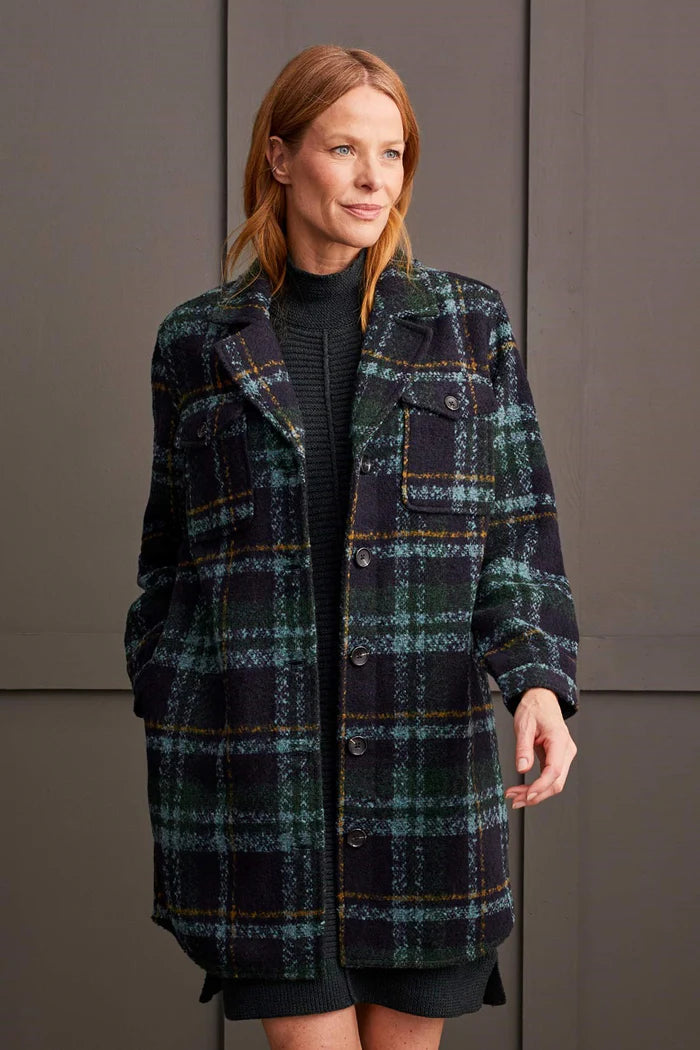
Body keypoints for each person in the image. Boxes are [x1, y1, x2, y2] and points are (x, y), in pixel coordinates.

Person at [124, 43, 580, 1050]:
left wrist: (538, 682)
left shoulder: (466, 324)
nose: (376, 179)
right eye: (344, 149)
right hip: (258, 765)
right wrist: (167, 682)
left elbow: (518, 527)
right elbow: (169, 554)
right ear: (280, 157)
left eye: (393, 152)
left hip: (422, 762)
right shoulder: (197, 341)